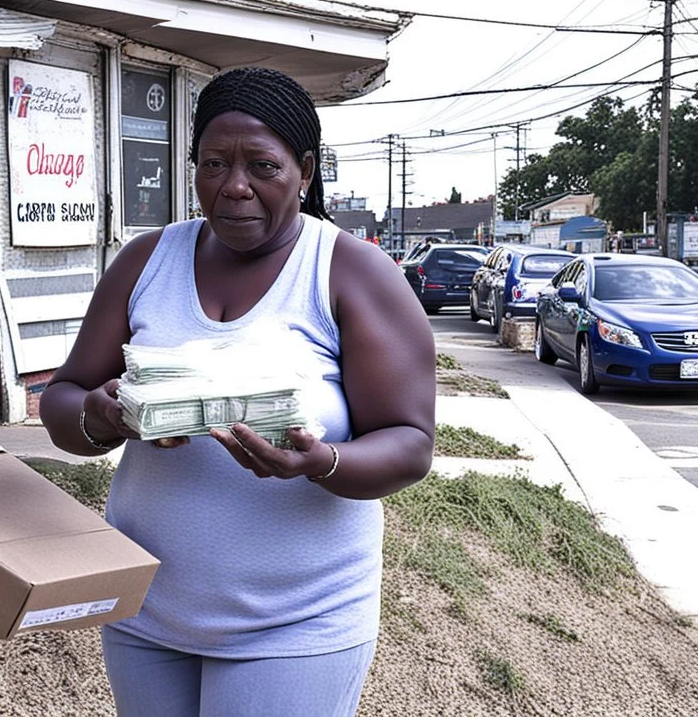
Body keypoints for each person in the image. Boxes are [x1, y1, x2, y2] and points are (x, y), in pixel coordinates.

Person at [39, 67, 436, 717]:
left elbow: (411, 443)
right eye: (214, 164)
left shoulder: (349, 272)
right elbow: (64, 397)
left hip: (297, 625)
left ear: (304, 171)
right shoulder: (147, 261)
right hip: (146, 613)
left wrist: (320, 463)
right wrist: (101, 414)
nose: (235, 187)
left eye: (262, 166)